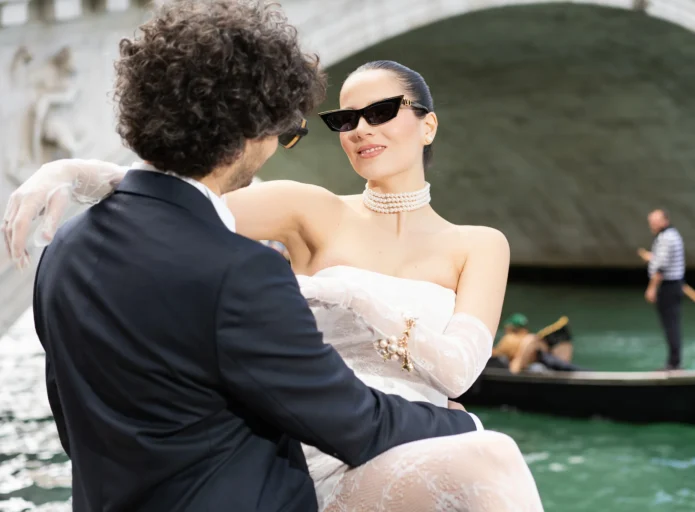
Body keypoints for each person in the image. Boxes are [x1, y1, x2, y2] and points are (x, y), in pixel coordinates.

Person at [2, 11, 544, 512]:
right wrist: (75, 172)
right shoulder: (302, 213)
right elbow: (185, 204)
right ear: (254, 128)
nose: (360, 128)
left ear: (428, 125)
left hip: (335, 431)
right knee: (493, 458)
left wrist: (354, 296)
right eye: (342, 119)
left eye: (380, 112)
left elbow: (172, 205)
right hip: (326, 441)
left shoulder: (63, 252)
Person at [638, 208, 686, 370]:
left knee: (670, 325)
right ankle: (674, 361)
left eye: (654, 221)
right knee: (671, 324)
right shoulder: (670, 235)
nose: (651, 224)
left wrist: (651, 288)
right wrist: (652, 258)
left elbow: (661, 268)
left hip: (668, 287)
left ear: (664, 221)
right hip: (674, 284)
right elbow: (662, 260)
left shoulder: (666, 238)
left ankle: (674, 363)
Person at [491, 314, 582, 373]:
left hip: (538, 363)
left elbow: (499, 353)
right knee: (565, 367)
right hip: (541, 362)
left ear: (510, 327)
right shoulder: (530, 337)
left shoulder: (510, 338)